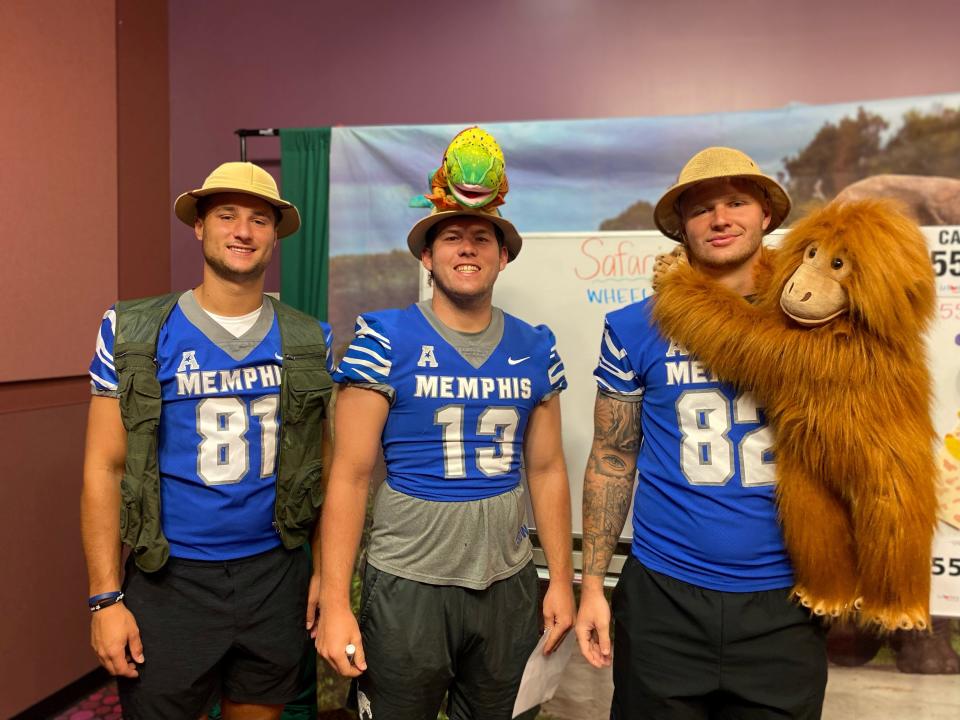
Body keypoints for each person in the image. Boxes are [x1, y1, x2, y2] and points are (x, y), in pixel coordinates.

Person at [315, 133, 575, 720]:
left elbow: (547, 467)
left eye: (481, 238)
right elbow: (350, 477)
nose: (467, 248)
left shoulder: (535, 347)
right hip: (410, 582)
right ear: (427, 256)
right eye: (451, 237)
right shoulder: (385, 338)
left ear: (502, 255)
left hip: (505, 582)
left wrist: (560, 578)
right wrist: (336, 601)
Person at [574, 147, 828, 719]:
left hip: (786, 599)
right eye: (701, 208)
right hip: (665, 594)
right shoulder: (634, 325)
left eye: (736, 201)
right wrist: (591, 585)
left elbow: (862, 444)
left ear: (765, 214)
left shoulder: (815, 318)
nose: (720, 218)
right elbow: (613, 456)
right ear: (680, 227)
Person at [81, 161, 335, 719]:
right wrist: (104, 598)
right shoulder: (134, 330)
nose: (243, 231)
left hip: (275, 572)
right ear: (199, 225)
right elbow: (105, 468)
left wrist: (326, 577)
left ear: (275, 235)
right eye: (227, 215)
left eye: (259, 219)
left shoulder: (310, 339)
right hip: (170, 577)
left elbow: (326, 470)